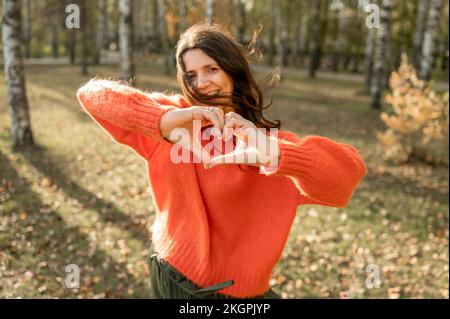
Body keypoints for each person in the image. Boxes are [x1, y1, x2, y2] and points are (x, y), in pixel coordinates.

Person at [76, 23, 367, 299]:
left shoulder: (266, 145)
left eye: (211, 69)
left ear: (233, 70)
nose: (201, 84)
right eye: (191, 75)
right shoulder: (173, 120)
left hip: (240, 292)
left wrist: (278, 154)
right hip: (171, 274)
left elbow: (346, 176)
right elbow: (92, 95)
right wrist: (160, 120)